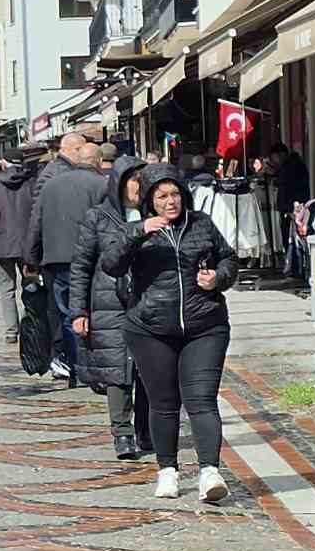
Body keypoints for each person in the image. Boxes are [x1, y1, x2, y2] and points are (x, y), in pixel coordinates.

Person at [101, 164, 238, 502]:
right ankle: (167, 471)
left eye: (175, 193)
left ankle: (210, 472)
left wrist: (218, 278)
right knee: (163, 404)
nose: (170, 201)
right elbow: (111, 264)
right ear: (149, 200)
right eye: (162, 196)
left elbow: (230, 261)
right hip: (150, 329)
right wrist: (139, 233)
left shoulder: (202, 224)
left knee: (202, 400)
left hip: (205, 325)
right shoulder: (134, 229)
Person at [69, 157, 151, 460]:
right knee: (117, 371)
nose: (138, 188)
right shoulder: (98, 218)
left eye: (143, 182)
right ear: (118, 182)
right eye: (133, 181)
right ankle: (122, 433)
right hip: (108, 302)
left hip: (146, 301)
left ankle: (146, 430)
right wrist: (79, 311)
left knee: (147, 369)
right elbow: (81, 266)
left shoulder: (151, 214)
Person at [26, 142, 108, 385]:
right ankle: (91, 367)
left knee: (67, 314)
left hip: (56, 260)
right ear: (97, 161)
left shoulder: (51, 184)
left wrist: (30, 257)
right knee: (93, 311)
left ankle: (74, 365)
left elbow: (35, 221)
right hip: (91, 258)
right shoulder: (102, 185)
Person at [27, 134, 87, 366]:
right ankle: (64, 357)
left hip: (58, 251)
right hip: (58, 253)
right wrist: (31, 255)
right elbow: (37, 215)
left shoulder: (59, 171)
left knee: (67, 307)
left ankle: (70, 359)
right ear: (74, 149)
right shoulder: (54, 174)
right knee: (63, 309)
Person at [0, 149, 34, 344]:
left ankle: (12, 331)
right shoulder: (31, 183)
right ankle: (33, 323)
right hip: (28, 245)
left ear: (4, 163)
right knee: (31, 286)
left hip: (2, 242)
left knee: (7, 288)